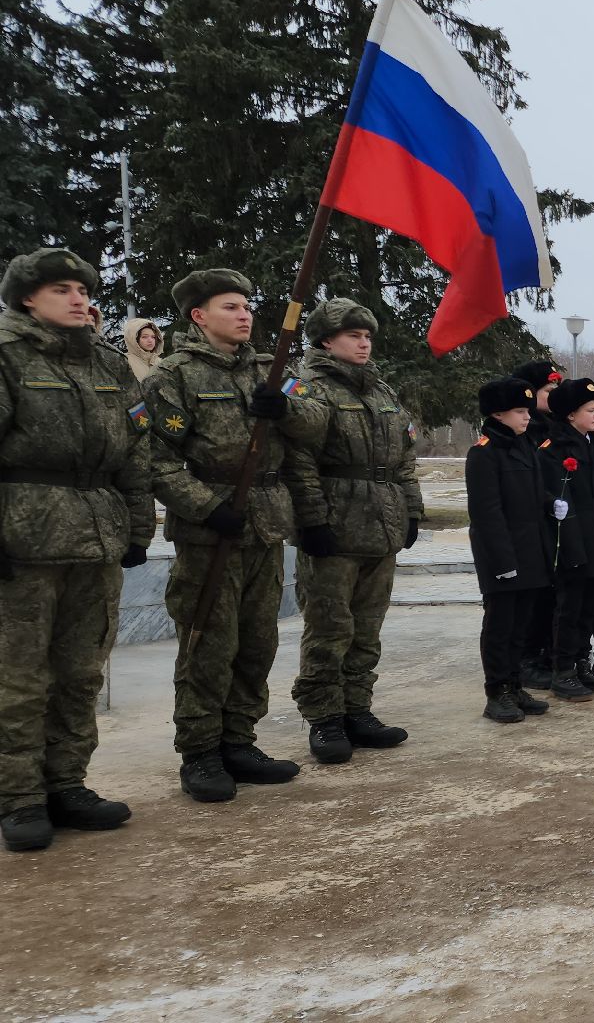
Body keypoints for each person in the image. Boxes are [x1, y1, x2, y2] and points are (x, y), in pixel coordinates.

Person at [146, 268, 327, 802]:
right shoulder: (172, 377)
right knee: (208, 641)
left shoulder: (274, 370)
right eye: (230, 306)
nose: (244, 313)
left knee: (257, 641)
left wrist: (285, 408)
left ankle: (238, 740)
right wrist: (206, 506)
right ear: (199, 316)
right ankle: (201, 751)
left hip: (266, 523)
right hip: (211, 532)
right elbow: (157, 460)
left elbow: (317, 422)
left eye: (247, 304)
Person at [0, 249, 155, 852]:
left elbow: (137, 451)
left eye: (83, 289)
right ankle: (17, 797)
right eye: (61, 289)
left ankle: (66, 782)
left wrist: (138, 529)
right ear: (26, 299)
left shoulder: (110, 365)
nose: (78, 299)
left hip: (96, 534)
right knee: (18, 676)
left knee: (80, 672)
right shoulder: (8, 356)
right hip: (24, 539)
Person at [284, 299, 419, 765]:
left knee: (367, 627)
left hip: (382, 525)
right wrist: (312, 520)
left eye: (367, 336)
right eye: (352, 335)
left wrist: (412, 511)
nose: (363, 343)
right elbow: (299, 461)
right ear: (326, 341)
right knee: (328, 628)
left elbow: (403, 459)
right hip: (336, 527)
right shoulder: (307, 389)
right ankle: (324, 717)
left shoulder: (382, 391)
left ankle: (358, 709)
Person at [465, 378, 553, 724]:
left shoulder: (523, 446)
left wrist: (552, 503)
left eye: (528, 411)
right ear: (498, 413)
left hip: (531, 552)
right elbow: (488, 513)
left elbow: (530, 495)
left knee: (522, 625)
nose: (527, 417)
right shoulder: (484, 453)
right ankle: (497, 691)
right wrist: (502, 562)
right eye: (520, 411)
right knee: (501, 625)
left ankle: (515, 684)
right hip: (502, 555)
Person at [539, 378, 594, 699]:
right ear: (571, 415)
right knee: (569, 608)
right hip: (571, 539)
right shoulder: (553, 449)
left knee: (590, 606)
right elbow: (549, 495)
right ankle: (564, 670)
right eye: (590, 410)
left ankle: (582, 665)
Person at [509, 359, 565, 690]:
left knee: (552, 595)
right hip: (530, 526)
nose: (554, 394)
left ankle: (547, 652)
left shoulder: (553, 426)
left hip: (554, 523)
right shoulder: (524, 432)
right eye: (548, 390)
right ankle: (526, 659)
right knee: (533, 597)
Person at [123, 317, 165, 382]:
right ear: (135, 339)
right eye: (144, 337)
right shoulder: (125, 361)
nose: (150, 340)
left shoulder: (160, 362)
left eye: (153, 337)